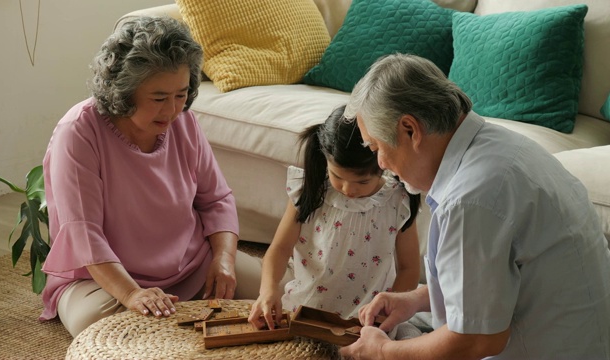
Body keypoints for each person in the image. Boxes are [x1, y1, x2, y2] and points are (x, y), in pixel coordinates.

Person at [339, 53, 610, 359]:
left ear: (410, 129)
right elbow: (498, 282)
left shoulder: (469, 199)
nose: (381, 164)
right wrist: (415, 299)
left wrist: (383, 351)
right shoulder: (505, 146)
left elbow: (477, 340)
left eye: (377, 148)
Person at [39, 16, 240, 337]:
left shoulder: (183, 119)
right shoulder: (78, 131)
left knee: (285, 292)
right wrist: (132, 294)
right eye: (159, 98)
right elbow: (83, 232)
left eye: (181, 94)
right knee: (100, 331)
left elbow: (216, 199)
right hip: (102, 279)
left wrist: (224, 259)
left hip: (191, 264)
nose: (173, 110)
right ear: (125, 91)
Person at [246, 105, 421, 330]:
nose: (348, 189)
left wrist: (389, 310)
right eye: (337, 176)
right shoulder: (310, 190)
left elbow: (409, 269)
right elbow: (279, 249)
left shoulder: (397, 202)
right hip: (305, 310)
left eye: (363, 182)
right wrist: (268, 290)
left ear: (383, 164)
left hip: (367, 321)